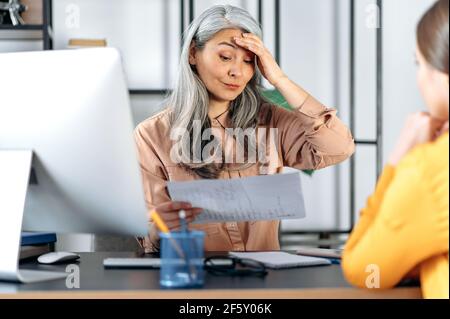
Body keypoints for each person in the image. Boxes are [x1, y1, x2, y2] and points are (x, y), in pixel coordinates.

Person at [135, 5, 354, 252]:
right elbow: (150, 238)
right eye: (225, 57)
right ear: (193, 54)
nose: (237, 71)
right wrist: (156, 229)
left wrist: (279, 79)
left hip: (264, 281)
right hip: (195, 280)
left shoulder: (270, 119)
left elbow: (339, 147)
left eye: (249, 61)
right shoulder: (151, 135)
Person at [342, 0, 449, 299]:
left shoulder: (428, 170)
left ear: (441, 71)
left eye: (419, 62)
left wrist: (399, 158)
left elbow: (363, 268)